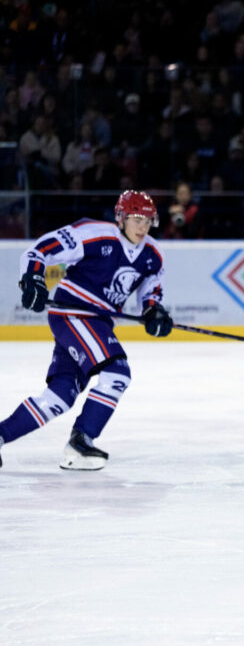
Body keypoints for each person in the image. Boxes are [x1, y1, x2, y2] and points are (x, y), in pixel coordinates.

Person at [0, 190, 172, 471]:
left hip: (97, 321)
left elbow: (150, 291)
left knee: (60, 396)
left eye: (148, 220)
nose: (143, 226)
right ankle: (81, 442)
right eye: (136, 219)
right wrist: (31, 279)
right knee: (117, 372)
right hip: (73, 312)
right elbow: (40, 251)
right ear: (121, 218)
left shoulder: (152, 254)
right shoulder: (94, 233)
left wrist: (154, 311)